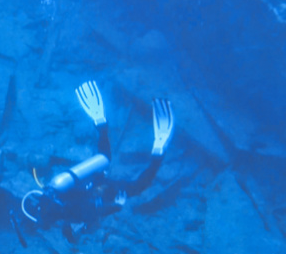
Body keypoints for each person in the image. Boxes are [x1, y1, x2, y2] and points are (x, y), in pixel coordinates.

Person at [20, 81, 174, 236]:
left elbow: (94, 210)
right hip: (88, 182)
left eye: (78, 232)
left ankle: (158, 151)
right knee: (105, 157)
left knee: (138, 187)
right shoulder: (52, 198)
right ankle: (100, 122)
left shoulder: (69, 215)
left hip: (99, 190)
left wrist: (117, 206)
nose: (80, 231)